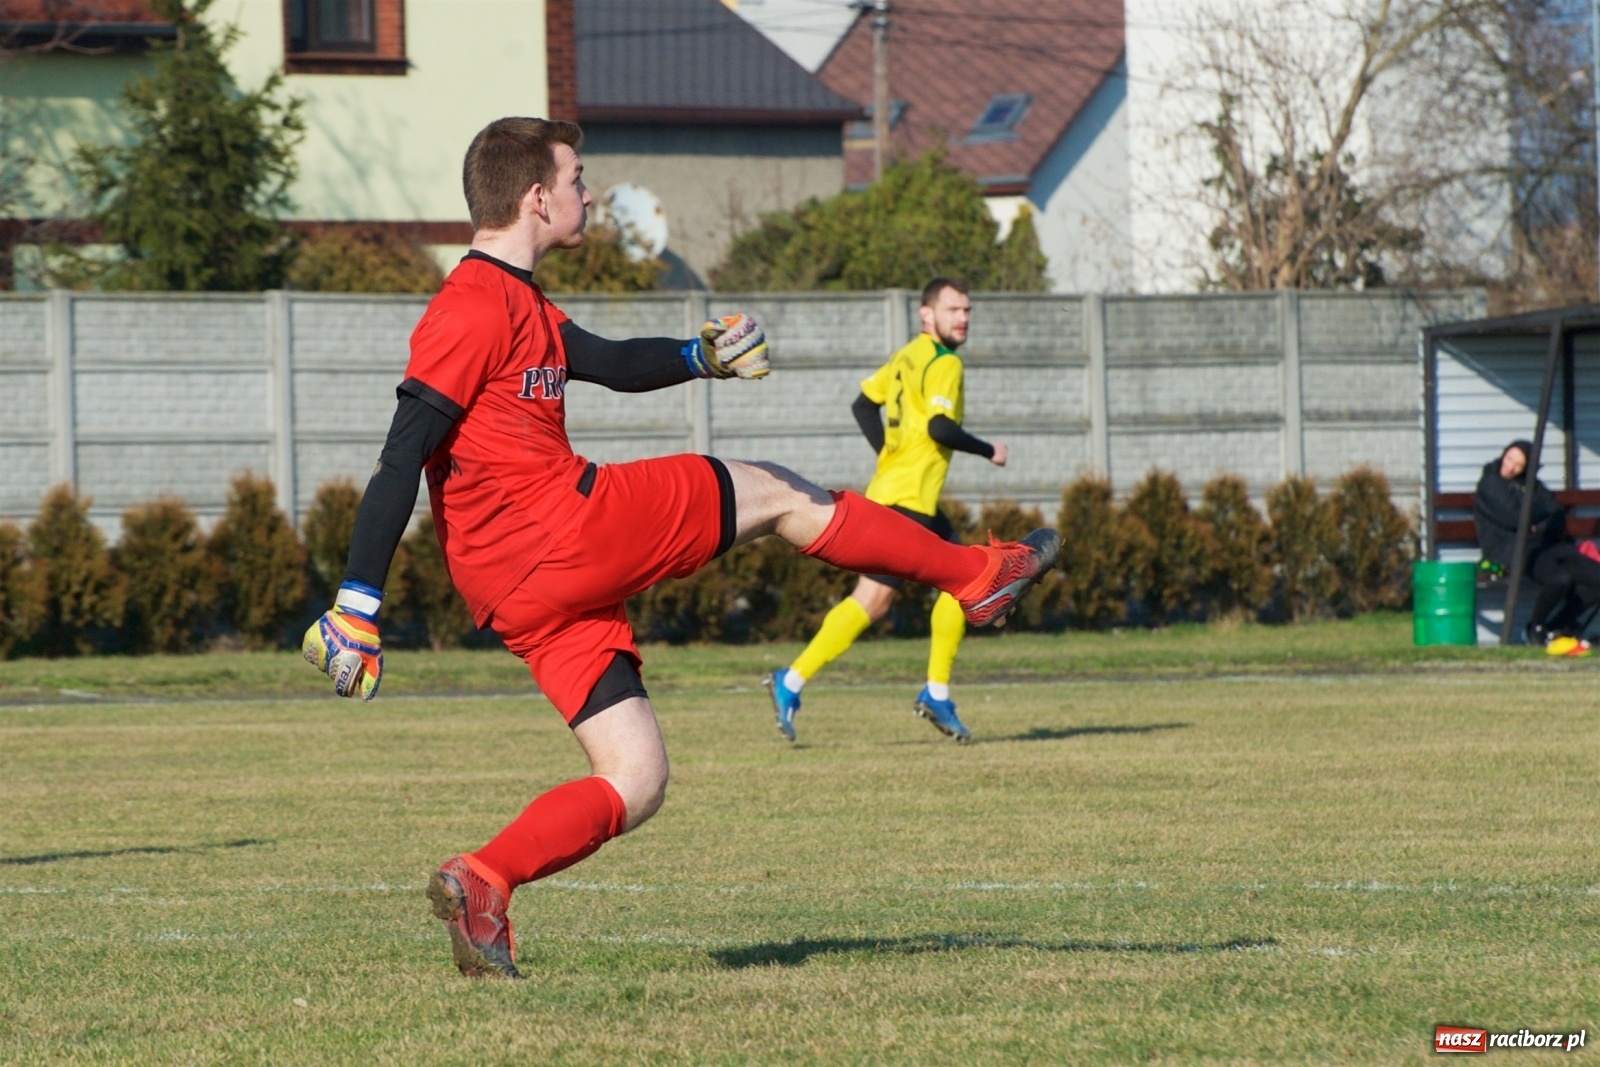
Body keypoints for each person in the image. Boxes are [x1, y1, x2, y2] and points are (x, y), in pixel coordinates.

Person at [300, 117, 1061, 980]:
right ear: (536, 197)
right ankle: (977, 576)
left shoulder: (522, 304)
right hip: (557, 531)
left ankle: (486, 880)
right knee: (776, 490)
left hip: (522, 587)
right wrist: (356, 604)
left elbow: (612, 361)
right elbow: (403, 451)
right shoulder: (471, 306)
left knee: (637, 775)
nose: (589, 191)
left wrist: (699, 355)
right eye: (578, 177)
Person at [764, 278, 1007, 744]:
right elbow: (940, 426)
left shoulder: (905, 356)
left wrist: (888, 455)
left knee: (950, 585)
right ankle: (792, 681)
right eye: (954, 309)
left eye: (968, 310)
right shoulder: (943, 362)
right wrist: (988, 449)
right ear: (926, 314)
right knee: (903, 594)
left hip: (899, 494)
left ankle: (929, 691)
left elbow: (862, 405)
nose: (963, 318)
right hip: (906, 501)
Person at [1473, 438, 1600, 649]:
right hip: (1510, 551)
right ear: (1504, 454)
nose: (1511, 466)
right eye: (1510, 458)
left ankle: (1558, 627)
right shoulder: (1490, 483)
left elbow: (1555, 512)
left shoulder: (1532, 485)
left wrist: (1536, 523)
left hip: (1543, 547)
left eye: (1519, 464)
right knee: (1560, 578)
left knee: (1591, 573)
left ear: (1526, 468)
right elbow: (1515, 517)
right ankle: (1536, 628)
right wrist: (1535, 518)